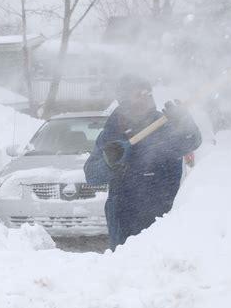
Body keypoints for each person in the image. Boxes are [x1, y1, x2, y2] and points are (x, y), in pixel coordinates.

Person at [84, 74, 202, 251]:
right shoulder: (112, 134)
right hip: (124, 217)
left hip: (164, 213)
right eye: (138, 94)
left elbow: (191, 141)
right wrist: (109, 162)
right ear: (125, 101)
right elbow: (92, 175)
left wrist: (185, 123)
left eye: (148, 94)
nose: (146, 98)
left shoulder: (166, 126)